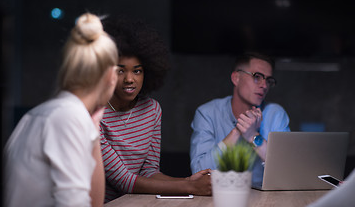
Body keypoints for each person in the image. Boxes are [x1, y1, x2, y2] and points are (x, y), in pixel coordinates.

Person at [4, 13, 119, 207]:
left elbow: (94, 203)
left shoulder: (50, 113)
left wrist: (95, 127)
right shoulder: (68, 118)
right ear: (110, 76)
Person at [99, 17, 212, 202]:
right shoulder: (94, 115)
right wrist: (190, 186)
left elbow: (149, 171)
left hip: (136, 203)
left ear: (148, 72)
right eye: (121, 71)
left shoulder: (152, 109)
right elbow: (123, 181)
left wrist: (188, 180)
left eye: (137, 71)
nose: (129, 79)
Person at [190, 52, 290, 185]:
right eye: (257, 76)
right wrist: (237, 132)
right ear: (236, 78)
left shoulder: (275, 113)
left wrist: (253, 136)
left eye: (268, 80)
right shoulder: (207, 113)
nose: (264, 85)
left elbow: (287, 173)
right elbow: (198, 173)